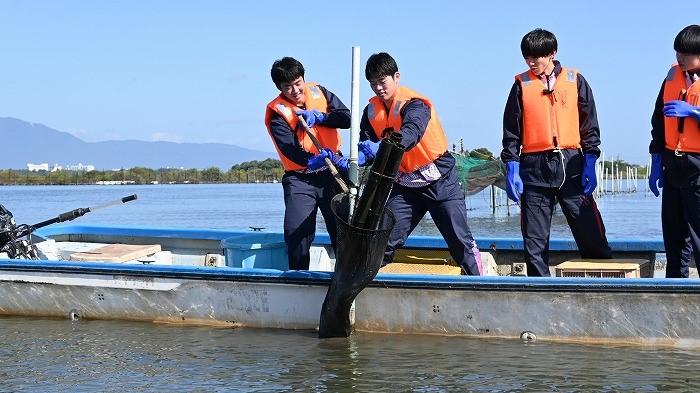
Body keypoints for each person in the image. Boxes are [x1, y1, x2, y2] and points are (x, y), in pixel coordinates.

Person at [500, 28, 612, 277]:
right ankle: (541, 293)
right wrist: (512, 167)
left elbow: (589, 125)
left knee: (591, 232)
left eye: (535, 57)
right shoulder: (521, 85)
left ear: (551, 53)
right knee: (535, 243)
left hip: (572, 167)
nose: (530, 62)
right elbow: (511, 130)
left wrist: (590, 162)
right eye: (526, 57)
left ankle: (603, 285)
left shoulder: (575, 80)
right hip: (534, 170)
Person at [357, 52, 482, 275]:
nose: (378, 88)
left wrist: (385, 147)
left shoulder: (415, 105)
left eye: (382, 81)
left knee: (459, 240)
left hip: (440, 182)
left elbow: (411, 131)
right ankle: (370, 284)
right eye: (372, 83)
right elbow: (365, 141)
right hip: (405, 187)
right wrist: (360, 153)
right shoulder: (370, 112)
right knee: (382, 238)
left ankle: (479, 284)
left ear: (396, 77)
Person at [264, 57, 351, 270]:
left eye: (297, 83)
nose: (295, 90)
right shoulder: (277, 114)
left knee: (343, 230)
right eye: (288, 87)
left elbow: (346, 118)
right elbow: (288, 149)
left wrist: (321, 117)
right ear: (279, 88)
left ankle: (347, 276)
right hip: (300, 178)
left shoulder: (320, 92)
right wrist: (311, 161)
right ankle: (299, 277)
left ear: (303, 79)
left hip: (333, 174)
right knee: (296, 232)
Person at [649, 25, 700, 278]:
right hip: (673, 167)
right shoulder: (671, 77)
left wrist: (695, 113)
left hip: (698, 168)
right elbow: (658, 122)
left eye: (685, 53)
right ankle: (675, 290)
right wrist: (656, 163)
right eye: (677, 52)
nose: (679, 57)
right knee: (674, 237)